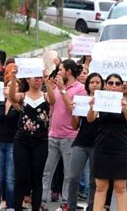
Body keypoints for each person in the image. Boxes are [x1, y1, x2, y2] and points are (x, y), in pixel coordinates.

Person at [9, 67, 56, 211]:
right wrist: (13, 79)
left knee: (37, 177)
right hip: (22, 141)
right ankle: (17, 207)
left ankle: (36, 207)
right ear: (28, 79)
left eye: (39, 77)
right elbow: (12, 97)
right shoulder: (22, 96)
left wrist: (47, 81)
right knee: (21, 177)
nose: (38, 79)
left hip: (40, 141)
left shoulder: (45, 96)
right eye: (35, 77)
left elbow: (53, 100)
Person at [41, 60, 86, 209]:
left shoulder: (80, 89)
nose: (58, 73)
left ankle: (66, 202)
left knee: (68, 174)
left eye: (60, 70)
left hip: (70, 137)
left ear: (68, 72)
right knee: (47, 171)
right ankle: (42, 201)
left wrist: (62, 90)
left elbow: (73, 109)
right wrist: (48, 84)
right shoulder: (57, 86)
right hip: (53, 135)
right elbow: (51, 102)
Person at [87, 73, 127, 211]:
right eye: (111, 83)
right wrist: (91, 106)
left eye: (117, 83)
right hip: (102, 147)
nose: (114, 86)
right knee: (101, 187)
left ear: (121, 86)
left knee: (120, 187)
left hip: (120, 148)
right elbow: (90, 119)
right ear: (106, 85)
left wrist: (124, 107)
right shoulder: (100, 100)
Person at [67, 73, 104, 211]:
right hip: (81, 142)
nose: (95, 85)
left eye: (97, 82)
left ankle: (92, 207)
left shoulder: (106, 102)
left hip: (98, 144)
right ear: (87, 85)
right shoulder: (82, 100)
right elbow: (74, 126)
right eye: (92, 82)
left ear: (102, 84)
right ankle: (71, 207)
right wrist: (74, 112)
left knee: (94, 180)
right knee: (73, 176)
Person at [0, 75, 19, 210]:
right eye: (7, 86)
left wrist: (12, 98)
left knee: (10, 179)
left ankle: (10, 205)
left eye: (13, 86)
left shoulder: (19, 104)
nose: (9, 88)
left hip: (13, 143)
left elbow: (21, 111)